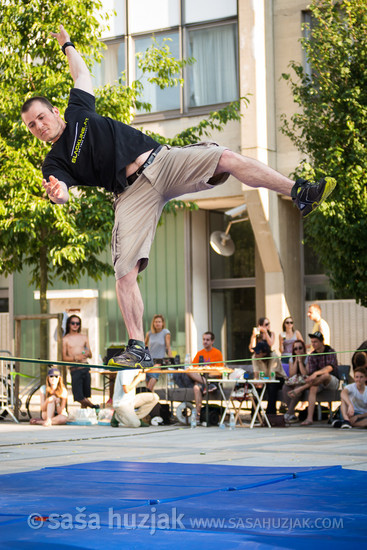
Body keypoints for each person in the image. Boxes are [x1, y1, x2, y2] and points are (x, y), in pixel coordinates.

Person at [21, 24, 336, 370]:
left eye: (41, 118)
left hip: (162, 161)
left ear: (54, 112)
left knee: (226, 157)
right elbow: (63, 192)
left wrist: (67, 43)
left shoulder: (78, 110)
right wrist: (58, 194)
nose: (39, 127)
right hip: (130, 195)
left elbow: (80, 72)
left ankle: (299, 192)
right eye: (32, 127)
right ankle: (137, 346)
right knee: (124, 271)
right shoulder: (54, 161)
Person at [288, 331, 339, 426]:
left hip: (332, 382)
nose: (313, 344)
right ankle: (309, 418)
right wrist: (312, 375)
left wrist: (316, 373)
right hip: (318, 382)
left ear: (322, 342)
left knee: (325, 375)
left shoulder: (330, 351)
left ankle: (300, 389)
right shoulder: (312, 355)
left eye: (315, 342)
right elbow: (310, 374)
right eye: (312, 342)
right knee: (313, 387)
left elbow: (330, 367)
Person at [184, 332, 224, 421]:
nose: (205, 342)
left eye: (207, 340)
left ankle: (197, 415)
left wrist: (208, 374)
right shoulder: (199, 353)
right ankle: (198, 415)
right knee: (190, 376)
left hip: (213, 379)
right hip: (203, 381)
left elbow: (219, 372)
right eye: (204, 339)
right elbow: (192, 369)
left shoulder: (217, 353)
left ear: (212, 341)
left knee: (196, 385)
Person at [62, 315, 98, 409]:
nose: (75, 325)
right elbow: (64, 358)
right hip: (75, 369)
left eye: (77, 323)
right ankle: (94, 406)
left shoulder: (84, 337)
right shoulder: (65, 339)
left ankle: (84, 417)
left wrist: (86, 353)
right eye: (73, 323)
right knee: (78, 396)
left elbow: (90, 354)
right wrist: (76, 358)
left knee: (85, 396)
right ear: (69, 324)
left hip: (85, 367)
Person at [251, 341, 286, 415]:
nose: (255, 354)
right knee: (256, 389)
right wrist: (257, 382)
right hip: (264, 379)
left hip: (277, 378)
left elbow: (271, 373)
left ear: (264, 353)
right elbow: (256, 372)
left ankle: (270, 415)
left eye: (257, 352)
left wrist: (262, 381)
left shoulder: (274, 356)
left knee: (272, 387)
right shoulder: (254, 357)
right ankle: (255, 415)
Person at [283, 340, 308, 423]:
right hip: (295, 380)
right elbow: (292, 374)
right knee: (285, 387)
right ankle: (291, 413)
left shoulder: (308, 358)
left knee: (297, 389)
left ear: (304, 349)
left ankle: (289, 413)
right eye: (295, 349)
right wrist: (296, 361)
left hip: (305, 382)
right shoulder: (291, 359)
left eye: (300, 348)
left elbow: (305, 373)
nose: (298, 351)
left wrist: (300, 361)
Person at [144, 314, 172, 392]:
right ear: (153, 323)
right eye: (156, 322)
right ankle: (150, 401)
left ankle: (146, 395)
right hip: (149, 361)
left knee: (152, 379)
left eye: (159, 322)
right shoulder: (149, 333)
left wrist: (172, 360)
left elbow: (168, 347)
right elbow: (144, 345)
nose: (157, 323)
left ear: (162, 323)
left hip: (159, 361)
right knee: (148, 382)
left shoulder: (166, 332)